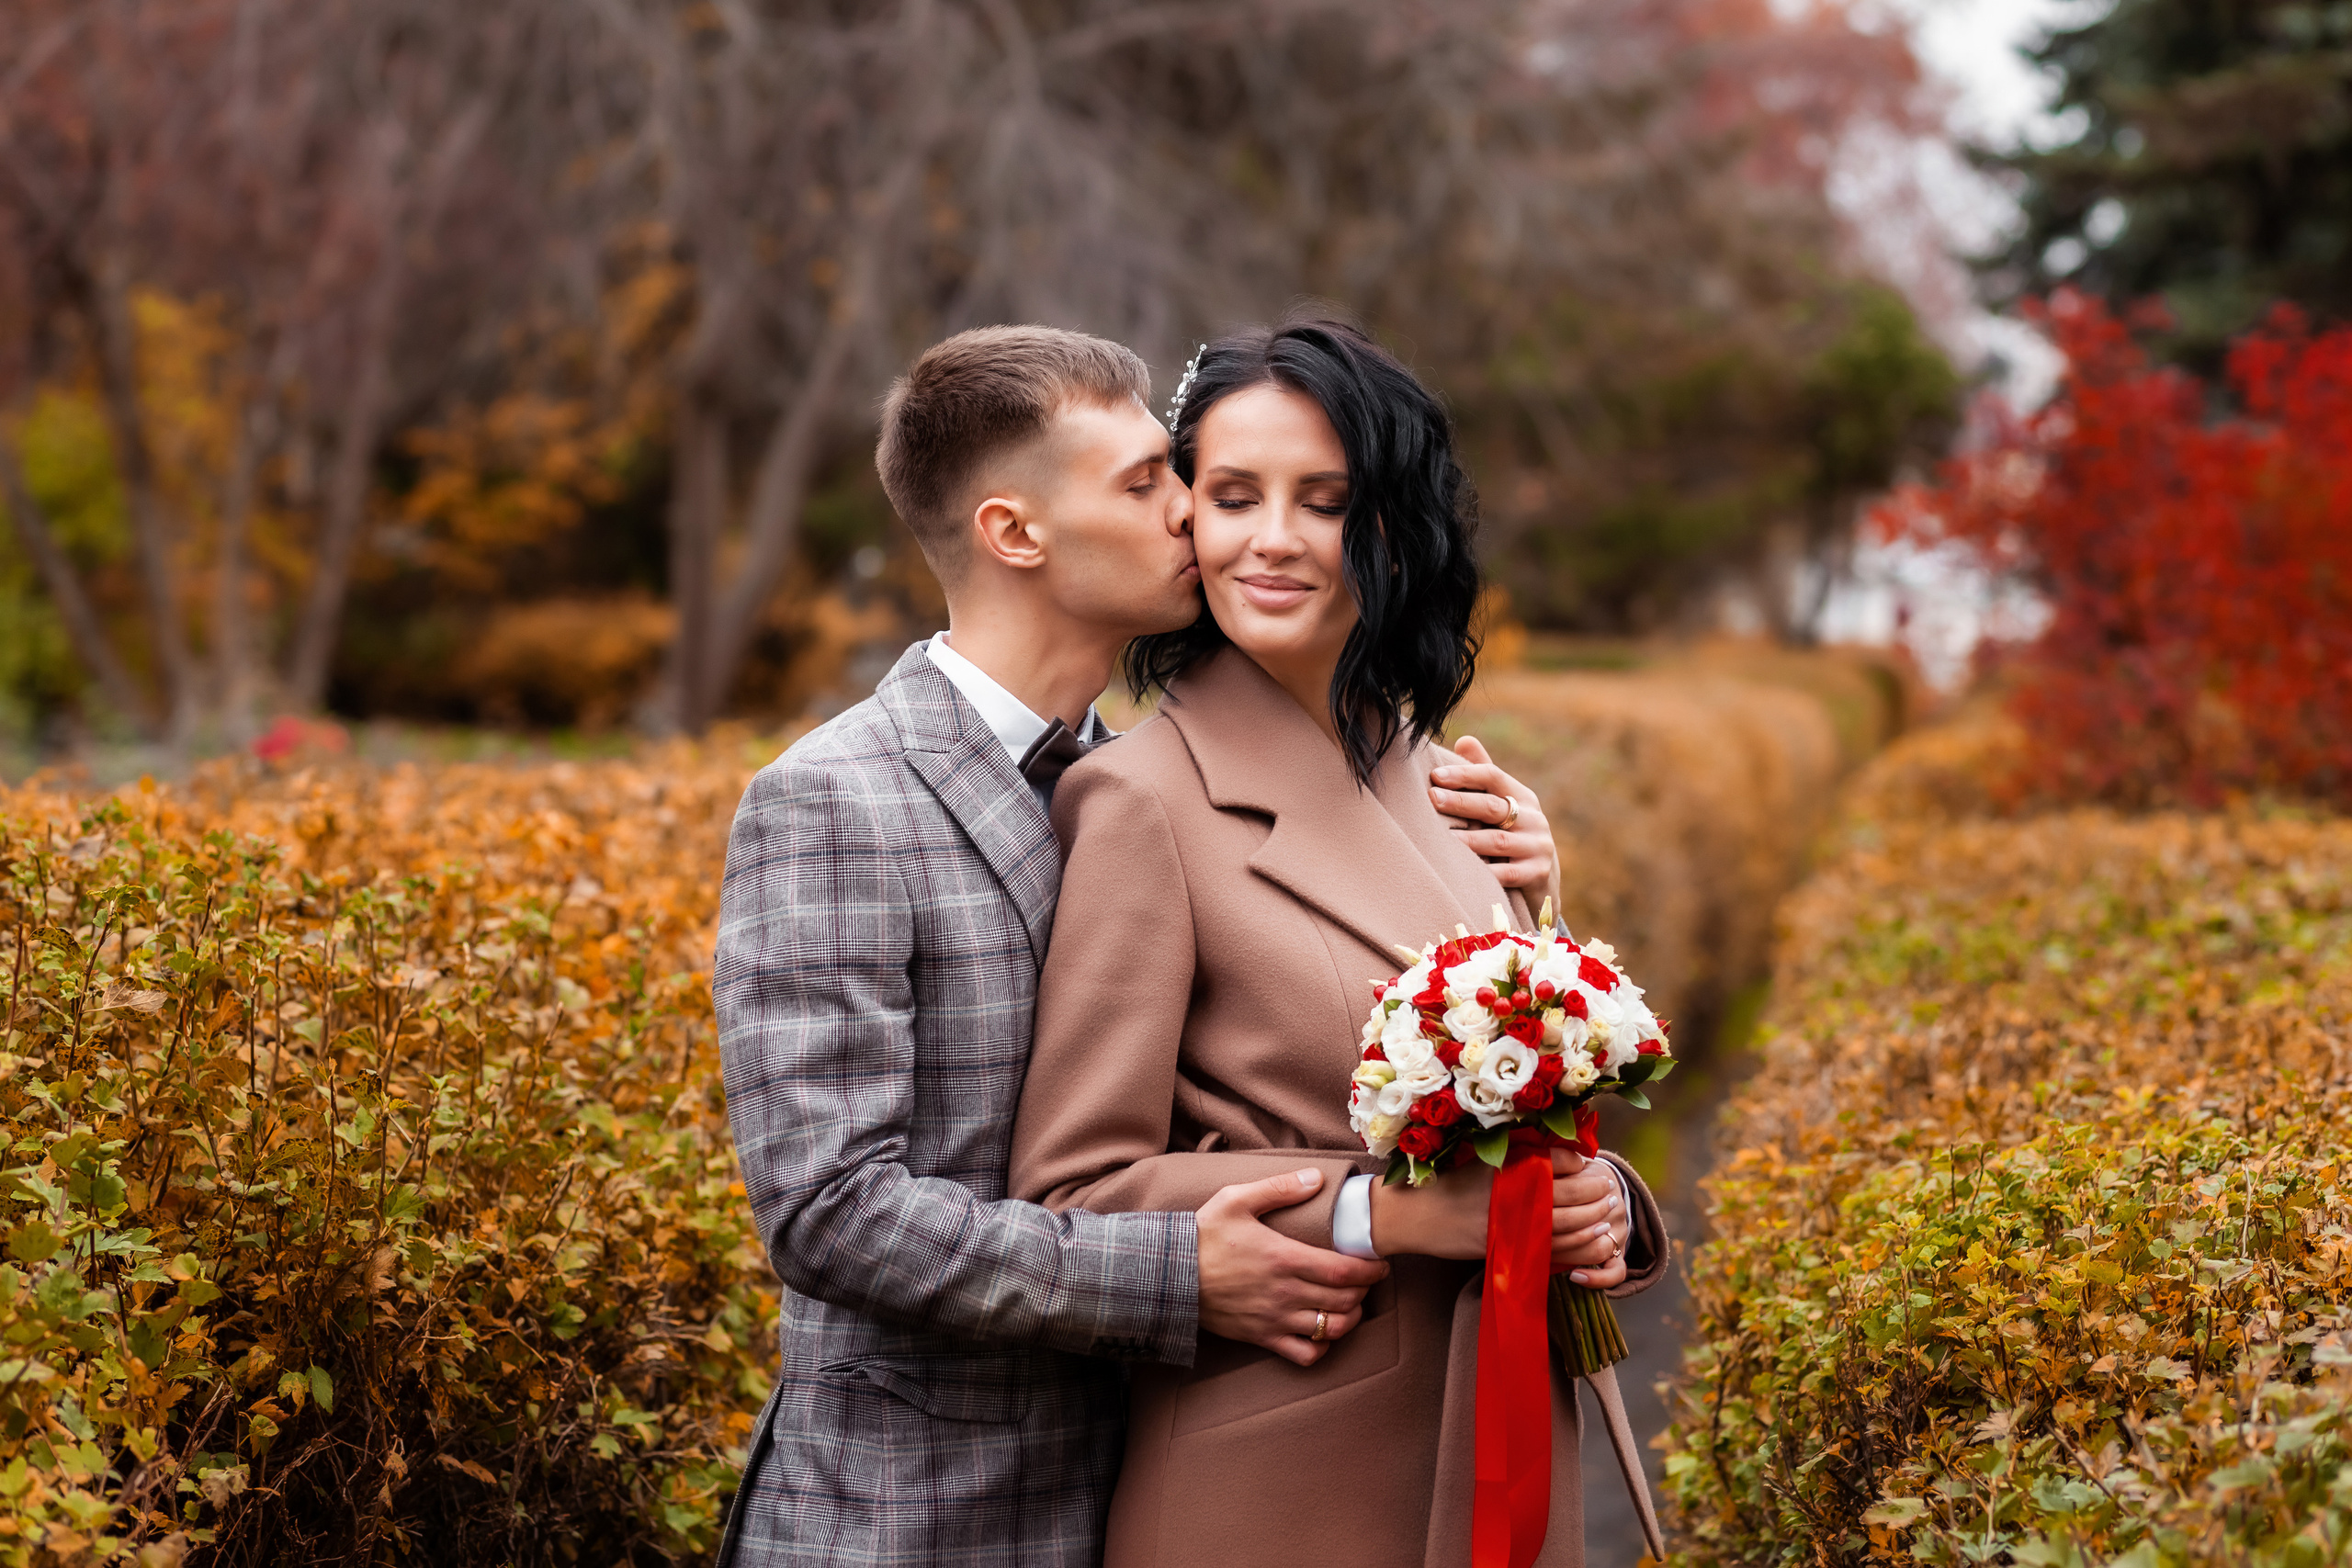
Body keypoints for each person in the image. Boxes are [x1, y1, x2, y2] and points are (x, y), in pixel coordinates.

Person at [711, 324, 1566, 1568]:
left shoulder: (1132, 776)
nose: (1193, 515)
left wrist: (1525, 912)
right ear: (1016, 533)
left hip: (1160, 1469)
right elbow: (827, 1209)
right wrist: (1180, 1272)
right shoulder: (837, 797)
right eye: (1150, 483)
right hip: (914, 1515)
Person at [1008, 316, 1670, 1568]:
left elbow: (1527, 1099)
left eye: (1324, 502)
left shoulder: (1452, 782)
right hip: (1285, 1479)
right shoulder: (1143, 802)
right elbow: (1073, 1191)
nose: (1272, 538)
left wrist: (1597, 1207)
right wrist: (1379, 1214)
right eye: (1234, 496)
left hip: (1501, 1434)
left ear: (1393, 528)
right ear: (1184, 518)